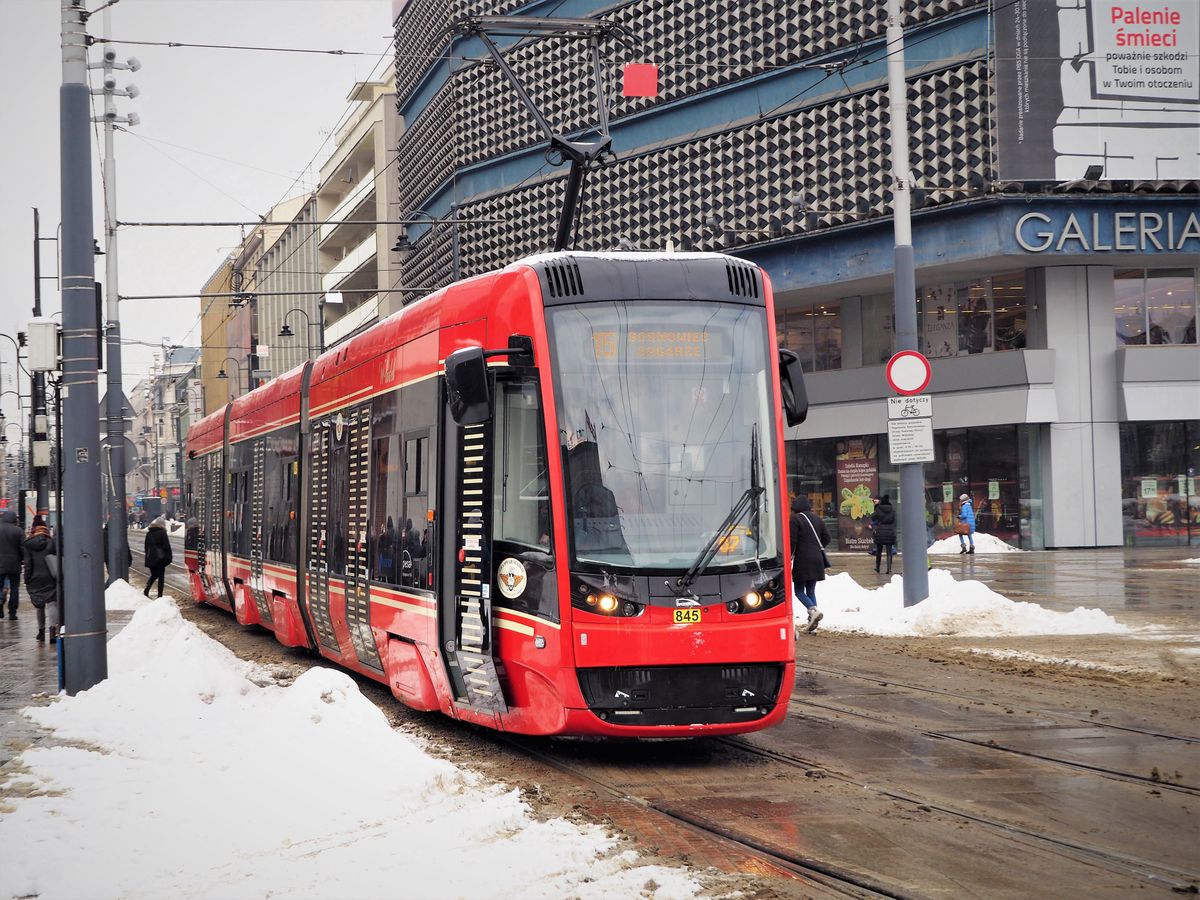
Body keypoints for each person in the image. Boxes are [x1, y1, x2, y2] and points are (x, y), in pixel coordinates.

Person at [790, 495, 830, 634]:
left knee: (799, 591)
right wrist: (816, 548)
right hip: (817, 558)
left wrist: (790, 555)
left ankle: (813, 611)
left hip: (803, 559)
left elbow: (793, 540)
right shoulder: (817, 518)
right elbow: (827, 537)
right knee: (811, 590)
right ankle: (813, 622)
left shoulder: (795, 519)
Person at [23, 520, 58, 642]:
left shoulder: (28, 544)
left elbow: (28, 564)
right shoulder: (51, 542)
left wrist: (26, 579)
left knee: (39, 605)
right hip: (50, 576)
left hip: (35, 578)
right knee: (52, 603)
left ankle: (41, 632)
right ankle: (53, 632)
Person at [0, 509, 25, 620]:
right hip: (15, 564)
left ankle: (0, 607)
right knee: (15, 589)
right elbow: (22, 548)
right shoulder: (18, 531)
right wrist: (23, 560)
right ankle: (12, 612)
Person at [143, 516, 173, 598]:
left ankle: (147, 589)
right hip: (160, 558)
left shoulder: (149, 533)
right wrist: (168, 556)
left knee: (154, 575)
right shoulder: (162, 533)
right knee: (161, 577)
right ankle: (160, 595)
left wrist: (149, 556)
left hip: (151, 558)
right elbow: (166, 546)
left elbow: (146, 547)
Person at [870, 495, 897, 575]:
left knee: (879, 551)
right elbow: (894, 521)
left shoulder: (879, 509)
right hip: (890, 532)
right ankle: (889, 569)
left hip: (880, 532)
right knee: (889, 552)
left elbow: (873, 518)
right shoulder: (892, 510)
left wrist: (876, 509)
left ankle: (878, 567)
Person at [102, 516, 133, 582]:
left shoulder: (104, 533)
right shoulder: (119, 533)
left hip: (109, 559)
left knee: (114, 577)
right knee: (117, 578)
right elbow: (125, 546)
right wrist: (129, 558)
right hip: (116, 558)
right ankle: (109, 589)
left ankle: (110, 589)